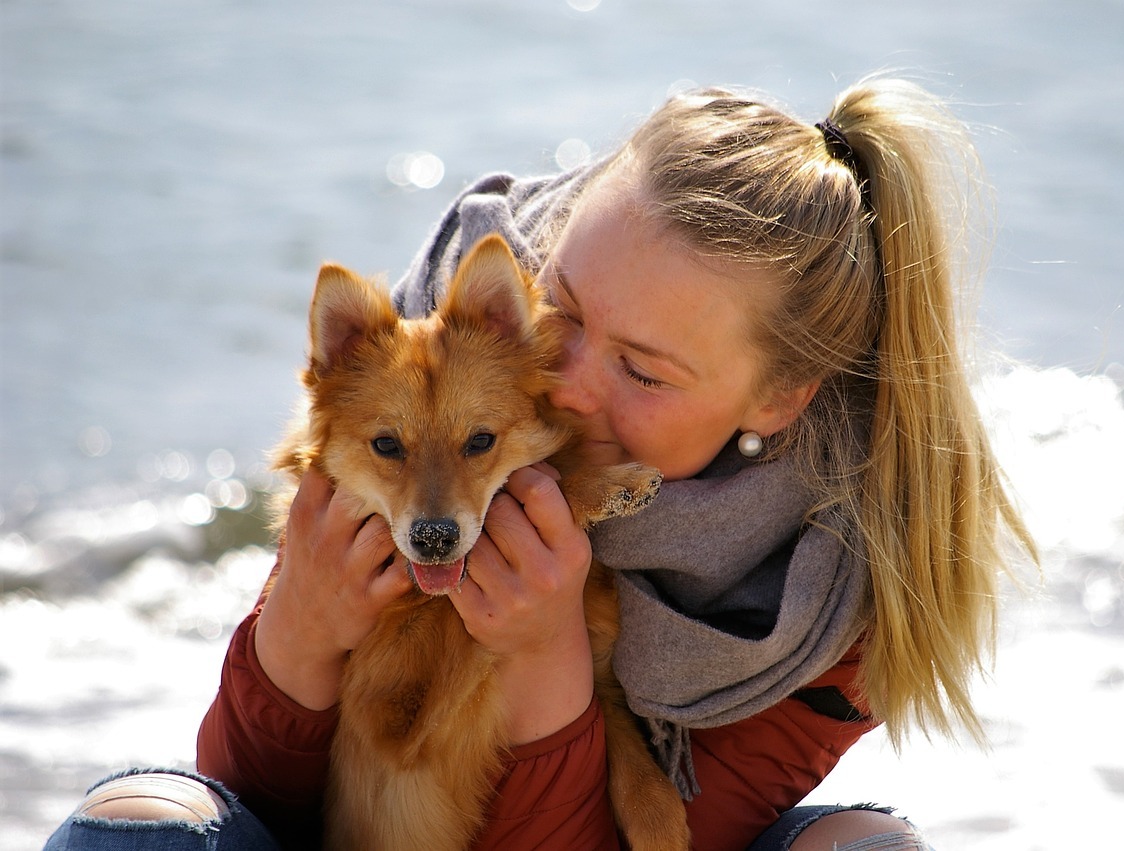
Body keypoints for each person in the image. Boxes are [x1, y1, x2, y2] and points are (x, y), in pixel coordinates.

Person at [46, 78, 1034, 851]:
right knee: (141, 825)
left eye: (643, 370)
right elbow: (252, 795)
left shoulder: (828, 597)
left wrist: (544, 654)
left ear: (776, 400)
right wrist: (297, 632)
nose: (561, 384)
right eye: (562, 307)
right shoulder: (431, 379)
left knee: (860, 845)